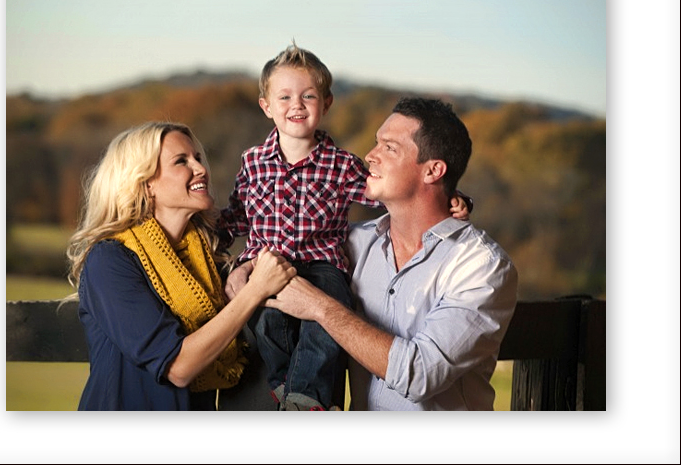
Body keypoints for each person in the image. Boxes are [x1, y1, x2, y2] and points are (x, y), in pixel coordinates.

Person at [219, 43, 470, 411]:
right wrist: (213, 238)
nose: (297, 105)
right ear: (266, 106)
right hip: (266, 264)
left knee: (327, 319)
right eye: (284, 96)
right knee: (267, 322)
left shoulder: (340, 164)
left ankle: (306, 398)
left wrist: (450, 196)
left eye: (308, 95)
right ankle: (282, 385)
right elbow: (238, 214)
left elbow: (392, 192)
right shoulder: (253, 162)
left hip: (322, 265)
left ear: (327, 102)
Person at [244, 96, 519, 411]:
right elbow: (289, 247)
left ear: (433, 171)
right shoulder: (356, 245)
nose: (370, 156)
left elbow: (419, 375)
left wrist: (319, 307)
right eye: (376, 144)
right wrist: (243, 269)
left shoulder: (481, 266)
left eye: (390, 148)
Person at [66, 121, 296, 411]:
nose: (201, 169)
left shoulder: (209, 258)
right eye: (181, 161)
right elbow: (178, 367)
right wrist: (256, 291)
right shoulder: (111, 260)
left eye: (198, 158)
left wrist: (247, 269)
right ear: (145, 183)